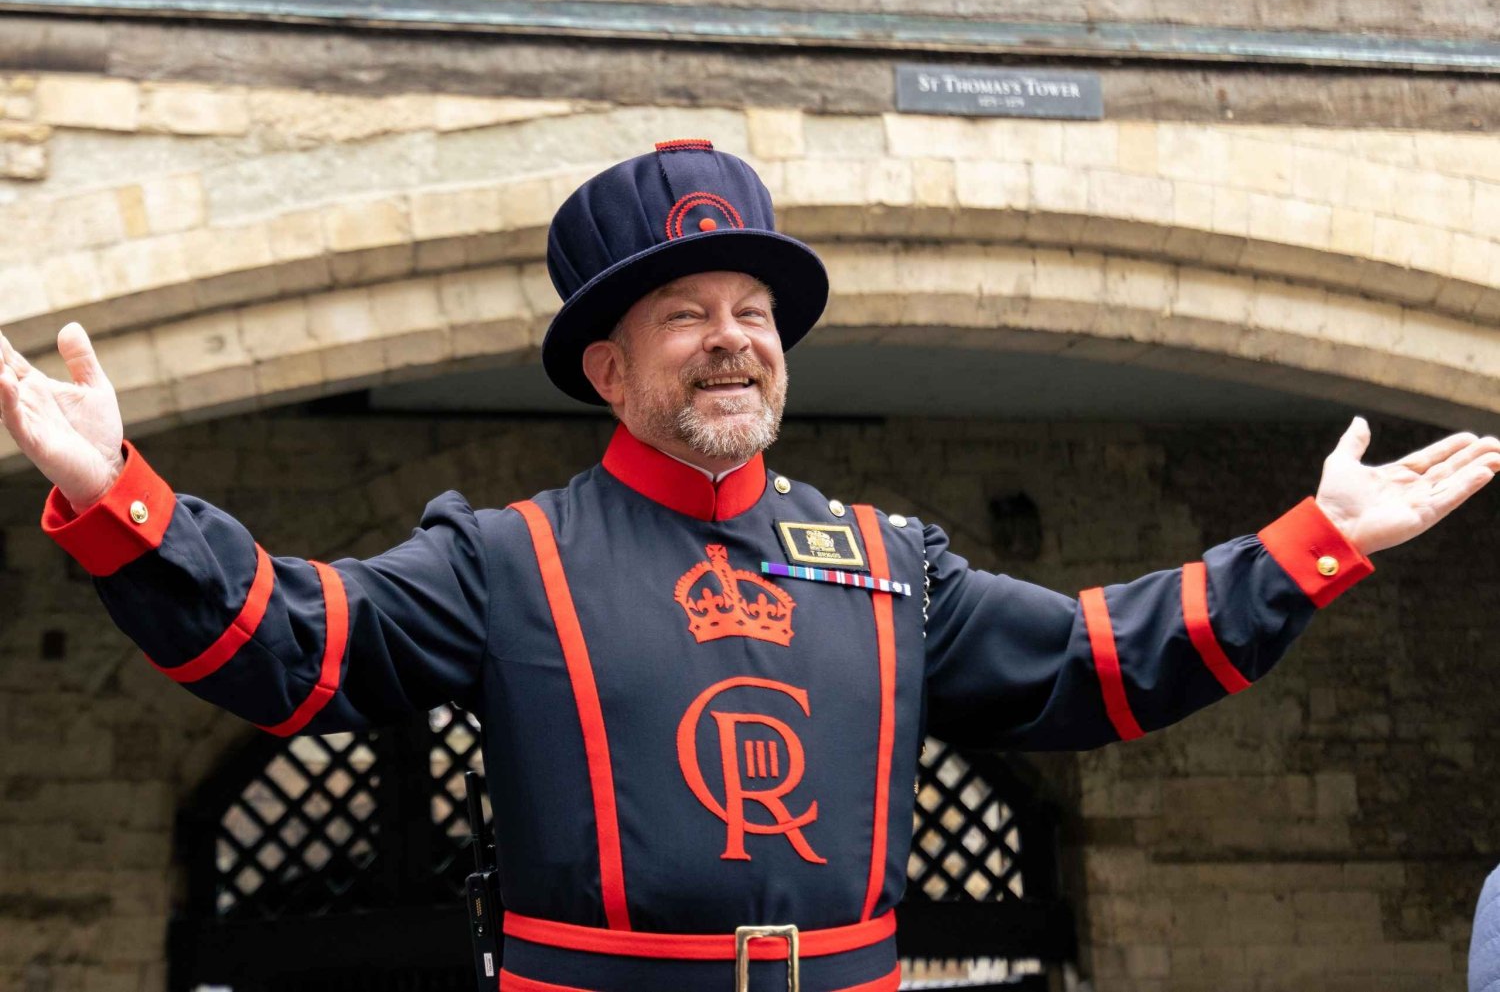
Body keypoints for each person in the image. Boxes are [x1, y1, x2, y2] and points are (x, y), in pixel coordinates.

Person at [4, 138, 1499, 992]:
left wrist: (1312, 546)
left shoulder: (884, 560)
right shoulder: (506, 558)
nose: (733, 336)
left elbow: (1103, 659)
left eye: (754, 311)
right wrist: (118, 494)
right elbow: (287, 638)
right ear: (606, 364)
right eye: (685, 314)